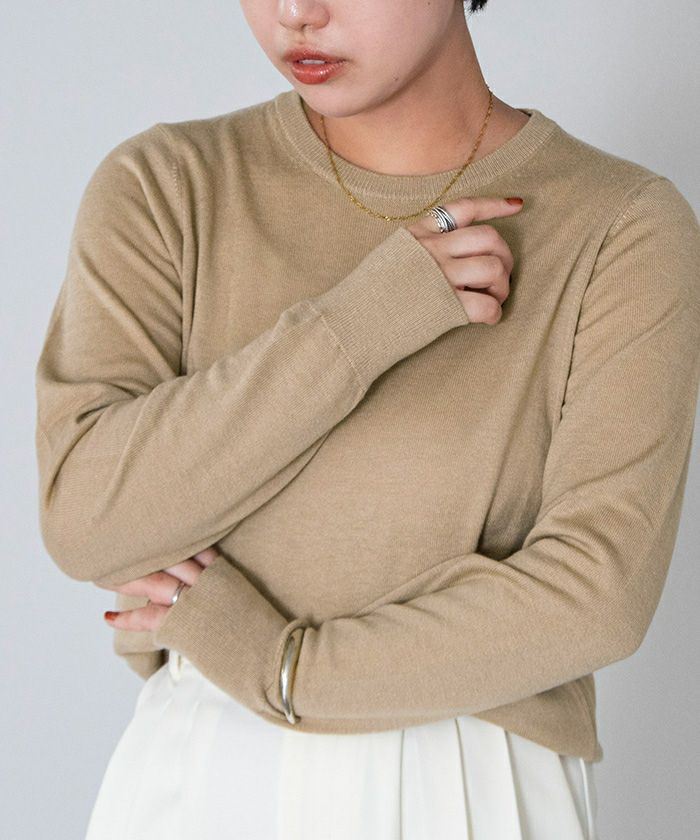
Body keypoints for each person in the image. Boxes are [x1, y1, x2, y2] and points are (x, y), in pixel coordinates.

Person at [34, 1, 700, 838]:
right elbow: (87, 521)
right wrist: (364, 321)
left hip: (469, 782)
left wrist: (285, 667)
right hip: (203, 774)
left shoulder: (618, 223)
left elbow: (597, 596)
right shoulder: (170, 186)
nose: (296, 13)